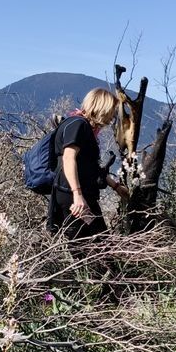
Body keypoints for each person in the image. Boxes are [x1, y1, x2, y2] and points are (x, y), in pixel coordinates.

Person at [48, 88, 129, 242]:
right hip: (75, 199)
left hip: (78, 196)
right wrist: (77, 195)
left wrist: (116, 186)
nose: (112, 117)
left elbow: (89, 165)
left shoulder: (81, 126)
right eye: (112, 111)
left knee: (95, 246)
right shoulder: (79, 125)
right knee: (94, 248)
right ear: (102, 108)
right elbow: (68, 158)